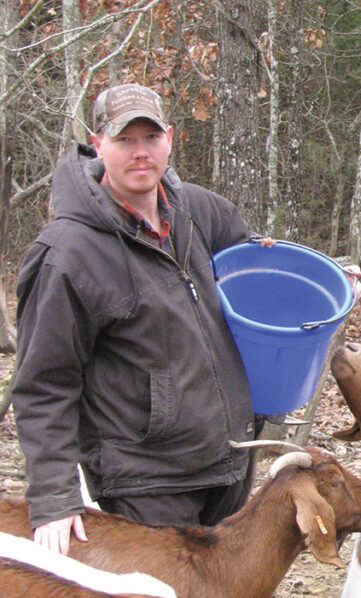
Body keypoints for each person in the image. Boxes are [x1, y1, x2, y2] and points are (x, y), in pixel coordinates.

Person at [16, 83, 262, 554]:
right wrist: (53, 496)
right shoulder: (66, 254)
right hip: (145, 480)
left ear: (170, 138)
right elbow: (45, 384)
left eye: (150, 138)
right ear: (97, 142)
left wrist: (333, 275)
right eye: (124, 139)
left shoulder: (197, 209)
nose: (140, 152)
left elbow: (260, 272)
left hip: (228, 459)